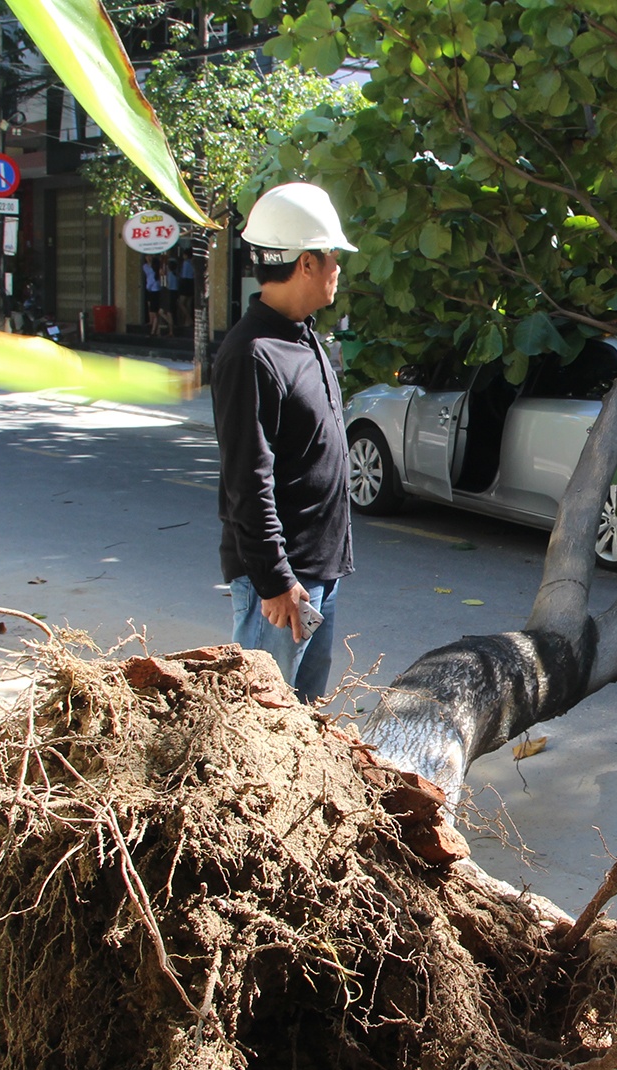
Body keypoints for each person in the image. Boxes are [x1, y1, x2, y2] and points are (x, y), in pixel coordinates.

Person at [211, 182, 356, 703]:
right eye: (332, 255)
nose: (338, 266)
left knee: (302, 719)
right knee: (259, 721)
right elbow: (247, 481)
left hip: (316, 574)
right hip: (281, 587)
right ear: (306, 263)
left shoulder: (300, 335)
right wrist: (274, 581)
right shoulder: (252, 354)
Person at [142, 255, 166, 336]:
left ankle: (153, 331)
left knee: (155, 312)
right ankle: (156, 330)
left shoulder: (156, 270)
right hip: (151, 290)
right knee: (153, 310)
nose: (149, 258)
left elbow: (161, 275)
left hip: (155, 291)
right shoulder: (146, 267)